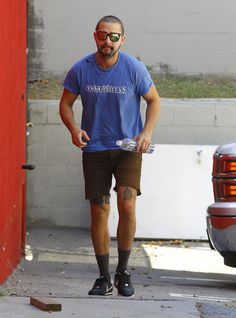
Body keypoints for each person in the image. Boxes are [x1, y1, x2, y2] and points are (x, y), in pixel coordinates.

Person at [59, 15, 160, 297]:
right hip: (95, 148)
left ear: (122, 40)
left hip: (128, 148)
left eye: (114, 36)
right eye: (103, 35)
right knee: (99, 209)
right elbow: (65, 103)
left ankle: (123, 272)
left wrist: (146, 132)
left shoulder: (133, 68)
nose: (108, 41)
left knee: (127, 202)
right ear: (95, 36)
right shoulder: (82, 69)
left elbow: (154, 100)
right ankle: (103, 277)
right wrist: (73, 128)